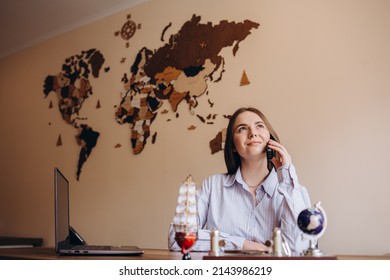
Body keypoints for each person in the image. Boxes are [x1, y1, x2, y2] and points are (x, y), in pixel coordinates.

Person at [168, 107, 311, 255]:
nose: (253, 133)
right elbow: (176, 237)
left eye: (259, 126)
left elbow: (299, 248)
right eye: (242, 128)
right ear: (233, 146)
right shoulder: (212, 186)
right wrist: (242, 244)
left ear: (270, 139)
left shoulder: (293, 190)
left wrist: (286, 174)